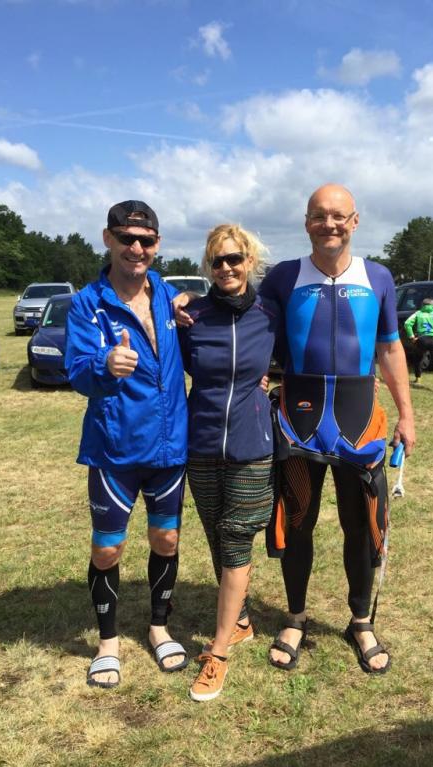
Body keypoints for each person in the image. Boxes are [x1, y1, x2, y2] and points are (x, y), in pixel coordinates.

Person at [259, 184, 416, 674]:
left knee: (362, 525)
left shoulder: (378, 277)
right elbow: (248, 326)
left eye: (338, 216)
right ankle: (295, 617)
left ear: (354, 221)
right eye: (318, 215)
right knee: (297, 521)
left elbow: (389, 347)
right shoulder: (283, 277)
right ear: (307, 222)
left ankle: (361, 621)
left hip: (358, 419)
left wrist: (407, 414)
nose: (329, 224)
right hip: (299, 419)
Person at [65, 200, 189, 689]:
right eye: (126, 238)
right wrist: (104, 364)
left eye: (146, 240)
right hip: (114, 450)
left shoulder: (168, 295)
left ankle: (159, 627)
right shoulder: (87, 303)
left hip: (169, 447)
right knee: (107, 549)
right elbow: (76, 372)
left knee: (167, 539)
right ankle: (108, 642)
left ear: (157, 244)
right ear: (108, 239)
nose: (136, 248)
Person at [178, 224, 280, 701]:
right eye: (217, 261)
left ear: (250, 262)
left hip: (252, 444)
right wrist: (175, 301)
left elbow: (303, 354)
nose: (226, 268)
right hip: (200, 443)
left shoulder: (270, 314)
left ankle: (218, 652)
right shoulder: (193, 317)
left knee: (237, 537)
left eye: (234, 258)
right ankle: (239, 620)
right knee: (217, 534)